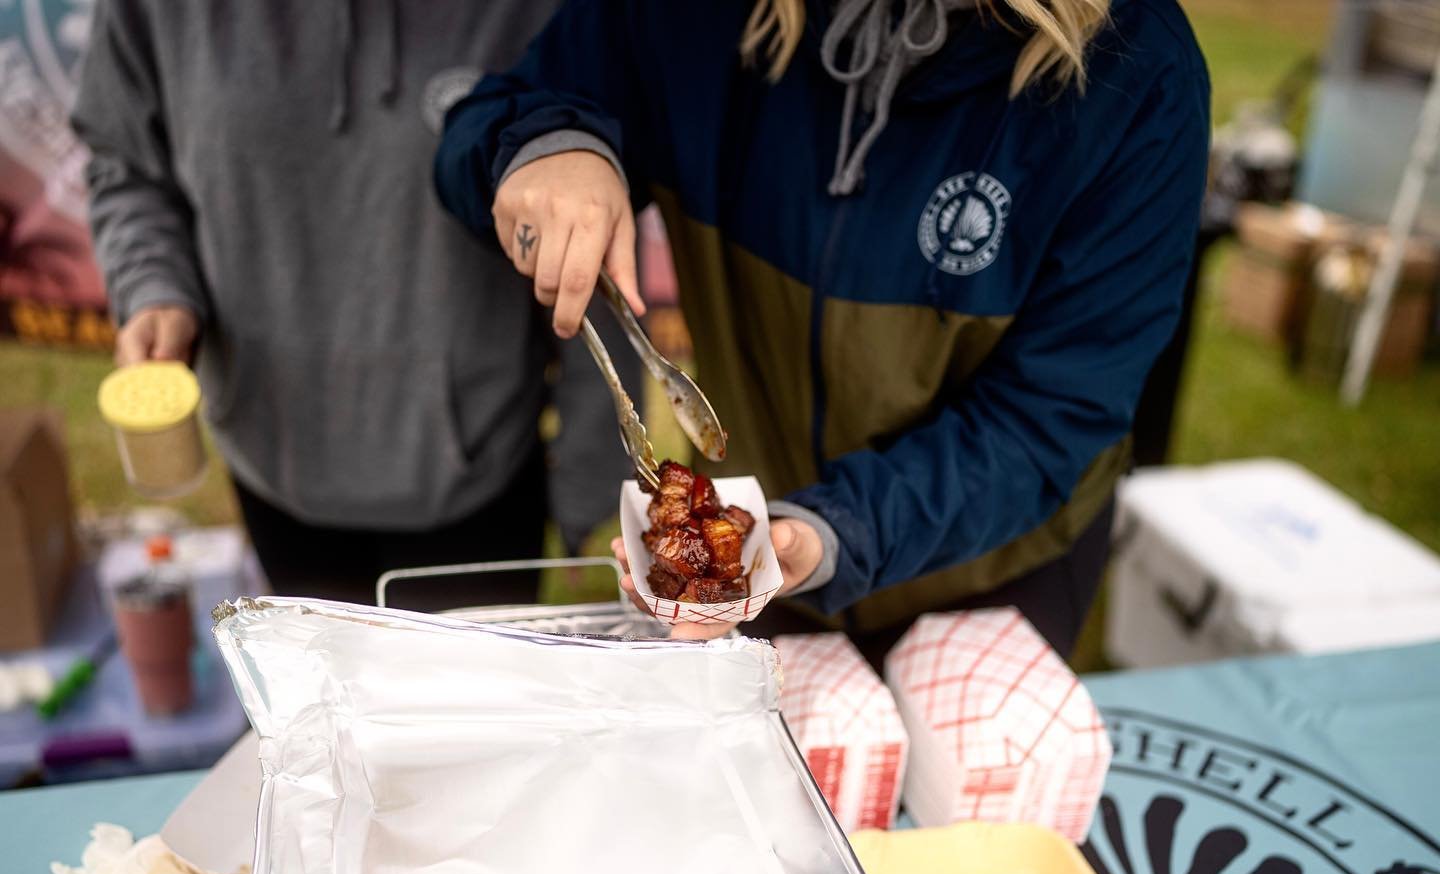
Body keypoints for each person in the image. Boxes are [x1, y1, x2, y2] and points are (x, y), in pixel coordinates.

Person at [435, 0, 1210, 660]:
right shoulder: (683, 17)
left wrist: (833, 529)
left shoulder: (1137, 72)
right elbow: (491, 118)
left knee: (952, 833)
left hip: (992, 570)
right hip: (770, 556)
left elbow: (1050, 419)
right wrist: (547, 147)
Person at [71, 0, 641, 608]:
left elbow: (586, 234)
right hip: (274, 461)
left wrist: (591, 480)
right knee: (317, 698)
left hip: (476, 475)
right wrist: (155, 287)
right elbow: (127, 162)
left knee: (463, 703)